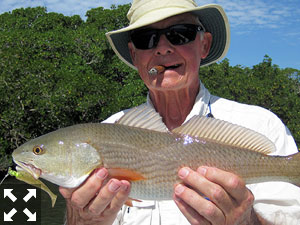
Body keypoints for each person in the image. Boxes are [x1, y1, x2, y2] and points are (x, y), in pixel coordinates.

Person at [59, 0, 300, 224]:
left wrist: (248, 221)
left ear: (204, 45)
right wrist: (78, 218)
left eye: (180, 34)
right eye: (147, 38)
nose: (163, 48)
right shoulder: (108, 130)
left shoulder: (261, 124)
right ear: (134, 55)